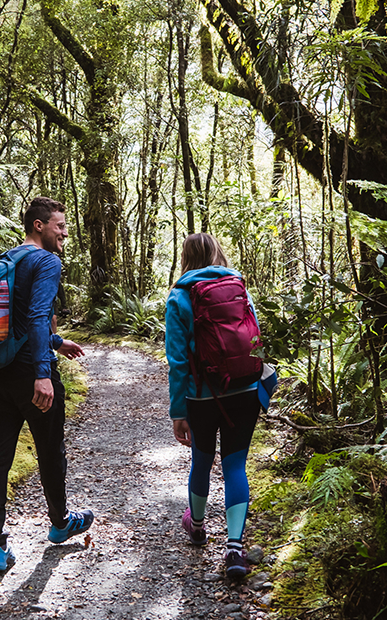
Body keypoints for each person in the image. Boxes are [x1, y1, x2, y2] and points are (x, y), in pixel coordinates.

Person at [0, 196, 91, 573]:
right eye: (60, 226)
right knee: (50, 450)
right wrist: (44, 371)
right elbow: (40, 314)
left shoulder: (10, 258)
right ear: (39, 225)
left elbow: (19, 319)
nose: (64, 233)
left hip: (1, 371)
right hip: (31, 374)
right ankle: (60, 524)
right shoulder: (47, 261)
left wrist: (59, 343)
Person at [165, 232, 263, 580]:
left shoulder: (179, 296)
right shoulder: (239, 285)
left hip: (202, 396)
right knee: (236, 465)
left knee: (202, 461)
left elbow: (177, 362)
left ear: (186, 257)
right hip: (246, 389)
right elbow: (254, 338)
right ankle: (235, 550)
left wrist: (178, 413)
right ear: (218, 252)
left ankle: (198, 525)